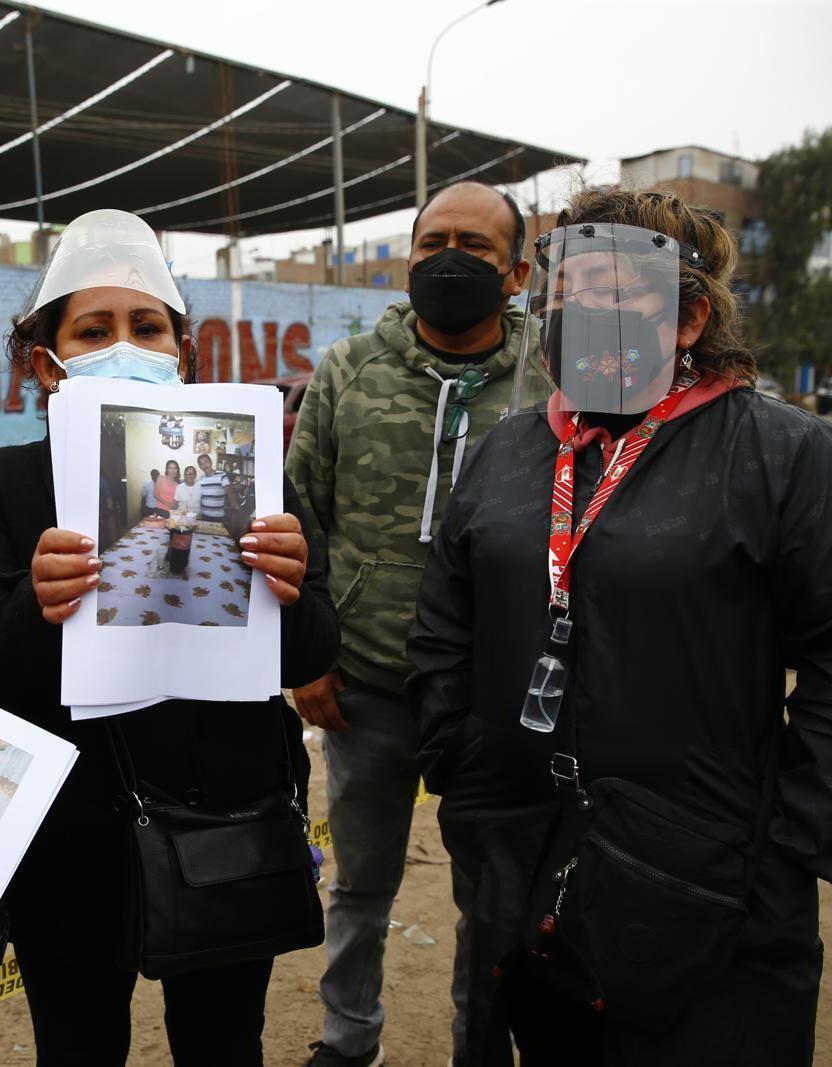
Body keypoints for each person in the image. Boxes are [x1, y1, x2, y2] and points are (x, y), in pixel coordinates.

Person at [408, 188, 832, 1066]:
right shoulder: (510, 451)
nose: (581, 310)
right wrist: (460, 758)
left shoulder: (786, 456)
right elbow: (444, 619)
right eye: (568, 287)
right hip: (518, 854)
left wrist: (786, 844)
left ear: (688, 318)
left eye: (616, 290)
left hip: (706, 887)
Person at [0, 208, 339, 1066]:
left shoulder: (249, 470)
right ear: (47, 358)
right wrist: (32, 609)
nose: (126, 343)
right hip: (68, 849)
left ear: (183, 350)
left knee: (226, 1045)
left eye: (146, 326)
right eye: (95, 328)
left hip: (229, 823)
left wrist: (290, 586)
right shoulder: (5, 484)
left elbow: (310, 651)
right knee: (79, 1049)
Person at [286, 180, 534, 1067]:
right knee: (359, 883)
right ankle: (349, 1038)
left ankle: (481, 1043)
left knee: (494, 893)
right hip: (365, 689)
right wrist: (307, 659)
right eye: (431, 243)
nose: (448, 258)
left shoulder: (552, 383)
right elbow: (298, 520)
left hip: (496, 701)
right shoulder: (348, 370)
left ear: (516, 272)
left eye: (474, 244)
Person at [195, 452, 229, 522]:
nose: (204, 465)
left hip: (219, 517)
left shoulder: (222, 475)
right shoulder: (201, 480)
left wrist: (234, 506)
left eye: (206, 462)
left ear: (211, 462)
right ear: (200, 467)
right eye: (201, 464)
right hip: (204, 517)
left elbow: (229, 493)